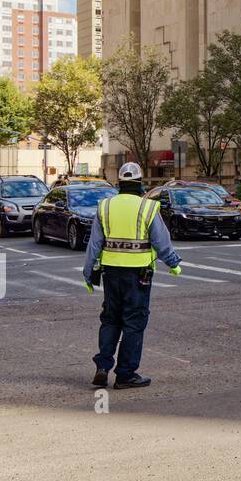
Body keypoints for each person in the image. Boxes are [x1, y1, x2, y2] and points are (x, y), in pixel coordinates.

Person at [82, 161, 182, 389]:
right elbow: (161, 241)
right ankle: (125, 374)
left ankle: (103, 366)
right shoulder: (147, 208)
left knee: (110, 319)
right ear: (139, 183)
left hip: (111, 273)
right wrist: (173, 263)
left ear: (120, 183)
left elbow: (94, 244)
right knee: (133, 324)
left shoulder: (105, 207)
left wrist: (88, 274)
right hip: (138, 276)